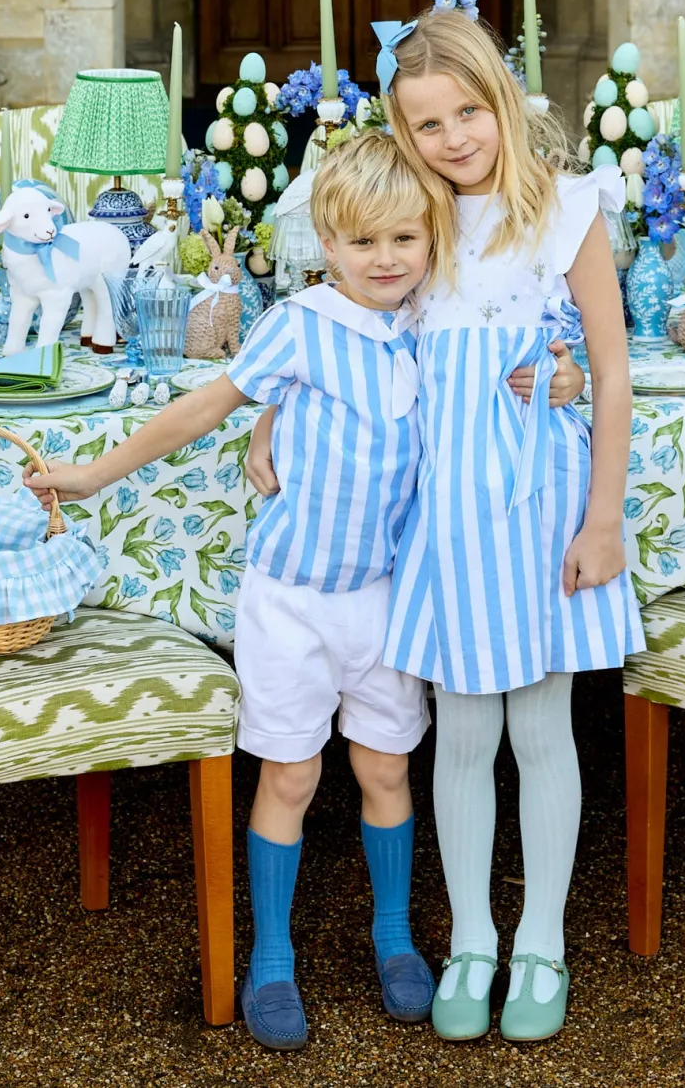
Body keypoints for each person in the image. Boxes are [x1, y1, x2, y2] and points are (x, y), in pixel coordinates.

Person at [250, 12, 642, 1043]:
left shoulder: (565, 212)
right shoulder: (416, 219)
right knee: (463, 736)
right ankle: (472, 938)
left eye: (468, 111)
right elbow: (342, 334)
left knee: (542, 731)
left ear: (503, 101)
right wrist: (272, 410)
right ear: (404, 135)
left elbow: (607, 369)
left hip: (544, 508)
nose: (454, 138)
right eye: (427, 124)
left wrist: (603, 519)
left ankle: (542, 942)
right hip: (449, 521)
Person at [25, 133, 438, 1051]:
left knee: (384, 769)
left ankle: (396, 933)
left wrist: (565, 374)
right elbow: (204, 406)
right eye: (364, 242)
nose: (385, 260)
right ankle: (274, 954)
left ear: (432, 240)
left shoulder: (432, 319)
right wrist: (93, 473)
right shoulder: (299, 322)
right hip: (293, 599)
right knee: (291, 772)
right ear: (327, 242)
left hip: (388, 597)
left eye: (405, 240)